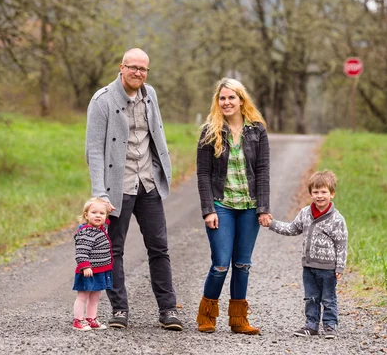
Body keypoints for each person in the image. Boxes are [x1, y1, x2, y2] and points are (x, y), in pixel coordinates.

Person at [85, 48, 182, 331]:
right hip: (118, 185)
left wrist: (164, 169)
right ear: (122, 67)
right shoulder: (102, 100)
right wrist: (99, 193)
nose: (138, 73)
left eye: (143, 69)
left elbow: (155, 135)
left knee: (159, 248)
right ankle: (119, 310)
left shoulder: (149, 95)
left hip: (147, 182)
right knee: (114, 250)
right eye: (133, 67)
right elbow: (93, 150)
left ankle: (168, 310)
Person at [195, 77, 272, 335]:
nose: (226, 102)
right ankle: (206, 315)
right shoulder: (210, 131)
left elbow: (262, 171)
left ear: (241, 100)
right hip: (221, 206)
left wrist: (263, 207)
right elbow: (203, 174)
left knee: (242, 264)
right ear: (218, 102)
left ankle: (238, 320)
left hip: (249, 208)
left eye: (231, 97)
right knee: (220, 264)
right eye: (222, 98)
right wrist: (208, 209)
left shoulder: (257, 130)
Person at [261, 170, 348, 339]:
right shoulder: (305, 213)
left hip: (328, 268)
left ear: (332, 194)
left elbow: (341, 244)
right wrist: (272, 224)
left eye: (324, 192)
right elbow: (292, 229)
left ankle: (330, 326)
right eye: (315, 192)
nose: (319, 196)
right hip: (309, 267)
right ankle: (311, 325)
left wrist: (340, 266)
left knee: (328, 299)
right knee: (311, 298)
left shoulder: (337, 219)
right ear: (310, 194)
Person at [72, 197, 113, 331]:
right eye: (94, 212)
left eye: (101, 213)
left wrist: (108, 209)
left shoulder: (101, 228)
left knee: (95, 296)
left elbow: (106, 221)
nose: (98, 216)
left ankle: (91, 318)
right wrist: (85, 266)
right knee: (83, 296)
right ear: (86, 215)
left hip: (100, 270)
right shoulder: (87, 232)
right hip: (88, 271)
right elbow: (81, 251)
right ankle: (78, 321)